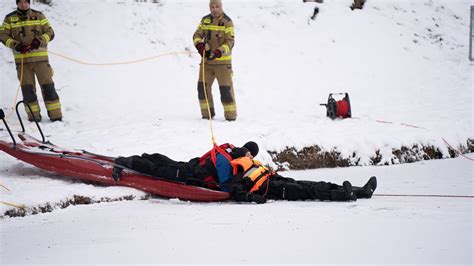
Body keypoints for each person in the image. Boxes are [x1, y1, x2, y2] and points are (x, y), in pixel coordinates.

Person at [229, 148, 377, 204]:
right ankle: (345, 196)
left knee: (316, 184)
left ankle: (361, 191)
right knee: (310, 192)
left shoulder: (253, 164)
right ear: (243, 157)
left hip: (278, 181)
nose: (251, 154)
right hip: (275, 190)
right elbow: (237, 193)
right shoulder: (240, 173)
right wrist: (254, 198)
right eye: (247, 153)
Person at [0, 0, 62, 122]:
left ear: (29, 3)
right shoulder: (9, 18)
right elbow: (3, 35)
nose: (23, 5)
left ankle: (56, 115)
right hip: (23, 62)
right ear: (17, 3)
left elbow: (50, 33)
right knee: (28, 90)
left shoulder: (39, 15)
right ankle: (33, 116)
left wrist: (39, 41)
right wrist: (16, 45)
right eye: (20, 2)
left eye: (26, 2)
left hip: (41, 61)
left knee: (48, 87)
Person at [113, 141, 260, 192]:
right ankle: (125, 162)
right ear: (249, 155)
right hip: (190, 175)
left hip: (192, 166)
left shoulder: (231, 149)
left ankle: (147, 157)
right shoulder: (227, 162)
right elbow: (225, 188)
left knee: (167, 162)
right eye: (251, 157)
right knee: (157, 171)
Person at [193, 0, 237, 121]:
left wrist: (218, 52)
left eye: (217, 6)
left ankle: (231, 118)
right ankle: (207, 116)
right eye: (212, 6)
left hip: (223, 64)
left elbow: (230, 42)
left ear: (221, 7)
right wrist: (200, 46)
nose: (214, 9)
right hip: (206, 63)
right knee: (202, 89)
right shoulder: (205, 20)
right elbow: (196, 35)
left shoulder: (227, 22)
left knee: (225, 91)